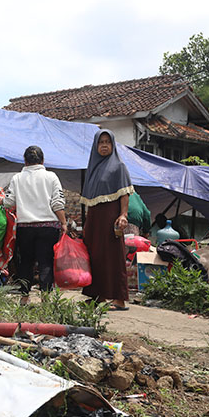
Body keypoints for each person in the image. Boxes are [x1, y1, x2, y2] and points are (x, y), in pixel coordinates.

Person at [2, 146, 67, 299]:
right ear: (43, 160)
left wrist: (1, 200)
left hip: (25, 228)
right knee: (46, 262)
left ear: (25, 161)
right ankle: (45, 298)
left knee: (25, 262)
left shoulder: (17, 178)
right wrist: (63, 223)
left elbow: (9, 202)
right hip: (48, 227)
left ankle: (24, 296)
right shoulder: (51, 177)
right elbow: (57, 203)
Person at [80, 130, 134, 311]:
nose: (104, 145)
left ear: (113, 145)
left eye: (107, 142)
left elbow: (124, 194)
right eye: (101, 142)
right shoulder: (92, 168)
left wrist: (123, 215)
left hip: (111, 217)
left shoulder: (119, 166)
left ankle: (119, 298)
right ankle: (97, 295)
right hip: (94, 219)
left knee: (113, 257)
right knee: (95, 256)